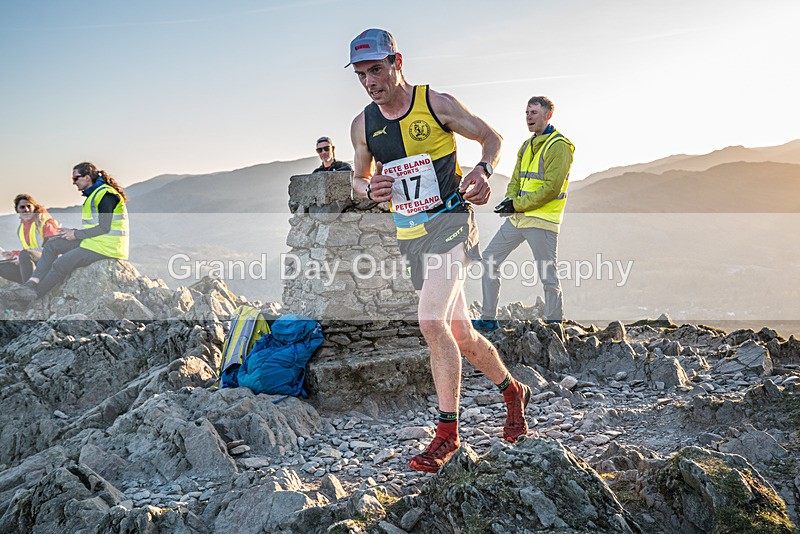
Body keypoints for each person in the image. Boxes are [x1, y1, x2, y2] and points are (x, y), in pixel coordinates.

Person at [347, 29, 532, 474]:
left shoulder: (437, 104)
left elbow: (491, 137)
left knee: (430, 320)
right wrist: (368, 188)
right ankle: (512, 391)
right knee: (460, 334)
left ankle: (447, 435)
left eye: (376, 69)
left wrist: (484, 169)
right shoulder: (363, 125)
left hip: (451, 222)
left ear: (397, 61)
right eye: (361, 74)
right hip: (411, 236)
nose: (370, 81)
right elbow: (357, 180)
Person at [472, 96, 575, 332]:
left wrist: (517, 205)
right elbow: (516, 180)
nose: (529, 117)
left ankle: (554, 325)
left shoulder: (559, 146)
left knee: (548, 275)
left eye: (534, 113)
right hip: (518, 219)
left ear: (548, 115)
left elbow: (552, 188)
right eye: (527, 112)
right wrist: (509, 201)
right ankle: (488, 318)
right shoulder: (526, 146)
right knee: (489, 259)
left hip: (542, 221)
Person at [0, 162, 129, 309]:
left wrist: (76, 234)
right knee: (52, 245)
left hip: (107, 247)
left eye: (76, 178)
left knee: (60, 264)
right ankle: (30, 284)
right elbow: (95, 226)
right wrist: (71, 232)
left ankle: (30, 297)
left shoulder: (106, 195)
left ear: (87, 177)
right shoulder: (94, 195)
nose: (73, 182)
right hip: (94, 242)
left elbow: (104, 227)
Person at [0, 194, 61, 284]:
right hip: (35, 261)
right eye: (22, 207)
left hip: (51, 260)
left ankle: (28, 289)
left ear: (34, 208)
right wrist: (14, 254)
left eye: (29, 206)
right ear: (17, 210)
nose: (26, 210)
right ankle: (27, 285)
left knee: (25, 255)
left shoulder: (45, 222)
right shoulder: (21, 229)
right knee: (3, 266)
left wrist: (21, 258)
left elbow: (54, 249)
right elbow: (29, 250)